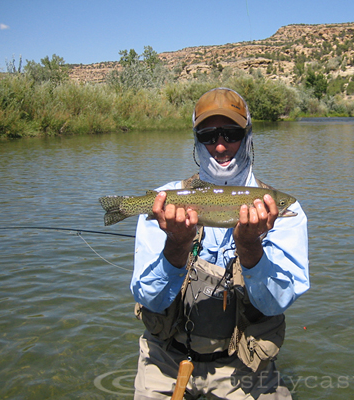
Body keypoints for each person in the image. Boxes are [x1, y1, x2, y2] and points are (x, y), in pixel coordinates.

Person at [131, 87, 309, 400]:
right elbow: (151, 300)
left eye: (231, 133)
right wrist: (176, 245)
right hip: (166, 361)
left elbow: (276, 304)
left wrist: (252, 249)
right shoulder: (165, 202)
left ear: (249, 134)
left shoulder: (281, 211)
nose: (221, 145)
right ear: (196, 140)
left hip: (245, 367)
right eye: (209, 135)